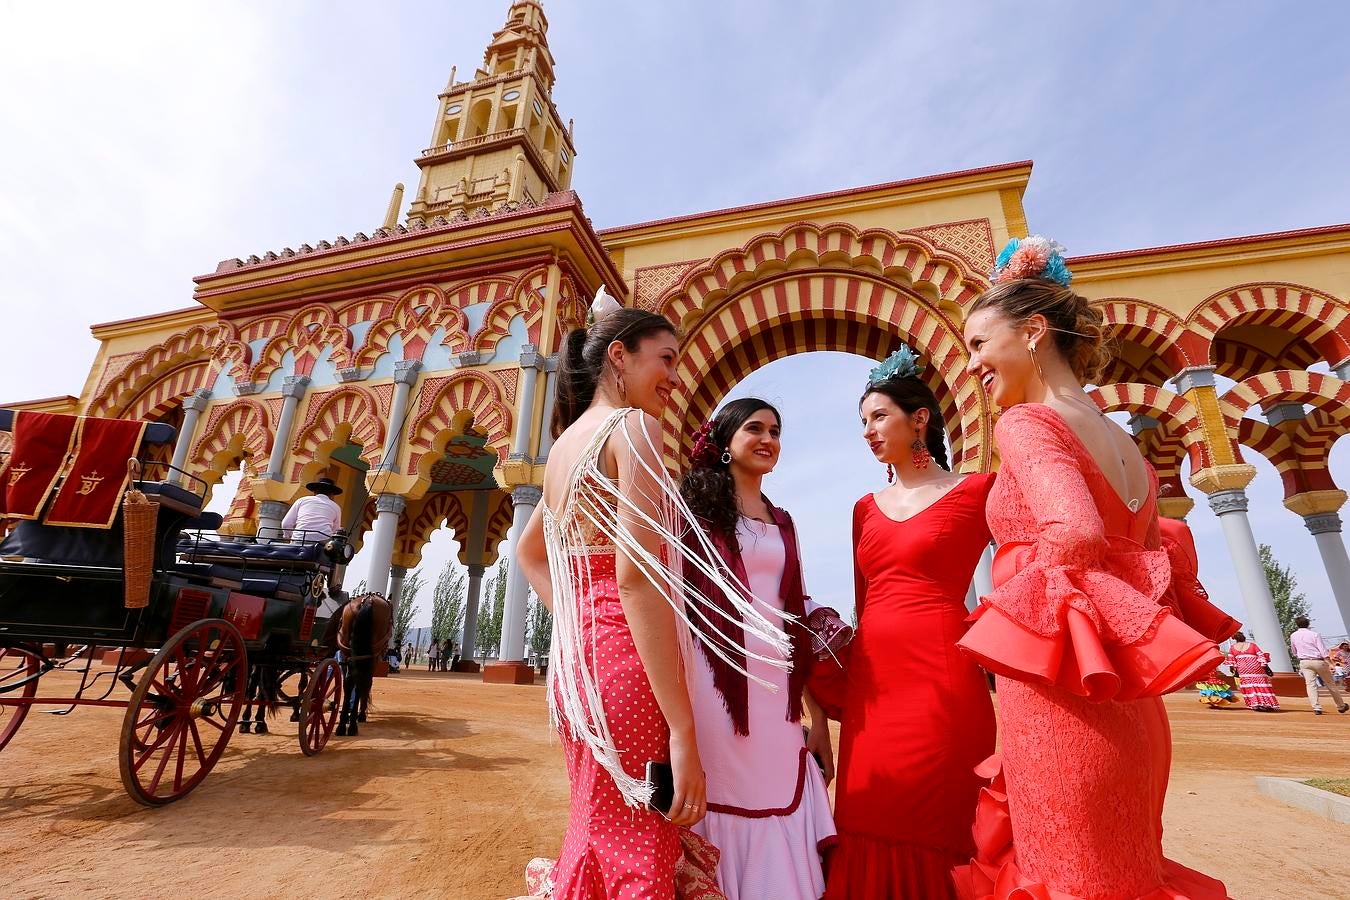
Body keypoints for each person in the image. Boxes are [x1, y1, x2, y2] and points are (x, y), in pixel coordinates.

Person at [952, 237, 1232, 898]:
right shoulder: (1120, 438)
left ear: (1033, 332)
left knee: (1072, 873)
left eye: (978, 344)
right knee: (1128, 869)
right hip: (1131, 710)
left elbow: (1073, 531)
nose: (971, 366)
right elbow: (1146, 551)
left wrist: (1014, 621)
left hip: (1065, 699)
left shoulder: (1026, 423)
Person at [512, 297, 791, 897]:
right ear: (619, 357)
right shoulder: (632, 428)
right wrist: (685, 734)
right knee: (642, 846)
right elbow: (638, 578)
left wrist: (583, 621)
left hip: (580, 668)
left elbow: (529, 553)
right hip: (630, 664)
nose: (673, 375)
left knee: (601, 833)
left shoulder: (564, 449)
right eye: (665, 358)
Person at [816, 347, 997, 899]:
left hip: (944, 679)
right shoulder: (864, 509)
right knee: (869, 805)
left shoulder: (977, 492)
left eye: (879, 417)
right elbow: (864, 603)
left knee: (943, 811)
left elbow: (1023, 571)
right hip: (874, 690)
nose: (868, 431)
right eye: (863, 422)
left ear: (919, 418)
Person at [677, 397, 837, 900]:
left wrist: (820, 721)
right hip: (714, 682)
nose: (768, 439)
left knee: (778, 788)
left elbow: (797, 618)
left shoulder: (784, 520)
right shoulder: (692, 513)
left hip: (778, 692)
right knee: (719, 790)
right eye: (755, 428)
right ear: (725, 443)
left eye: (775, 430)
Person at [1289, 616, 1349, 715]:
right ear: (1308, 624)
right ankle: (1341, 706)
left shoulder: (1293, 635)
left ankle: (1316, 707)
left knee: (1310, 685)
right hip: (1318, 661)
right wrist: (1330, 664)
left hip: (1304, 662)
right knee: (1330, 684)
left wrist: (1301, 657)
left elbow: (1294, 651)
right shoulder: (1314, 634)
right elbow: (1323, 651)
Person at [1224, 631, 1280, 712]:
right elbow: (1261, 656)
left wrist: (1233, 670)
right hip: (1256, 667)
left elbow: (1231, 661)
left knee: (1249, 685)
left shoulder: (1232, 648)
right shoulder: (1252, 645)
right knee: (1261, 684)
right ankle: (1266, 703)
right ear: (1244, 637)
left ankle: (1255, 703)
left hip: (1242, 668)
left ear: (1235, 639)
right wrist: (1267, 667)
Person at [279, 476, 343, 542]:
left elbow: (286, 524)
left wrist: (288, 536)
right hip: (321, 542)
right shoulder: (336, 507)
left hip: (299, 539)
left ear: (314, 492)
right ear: (332, 495)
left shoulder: (301, 500)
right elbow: (336, 530)